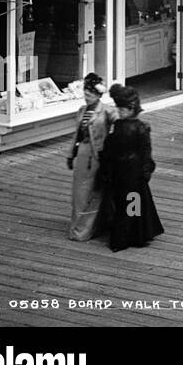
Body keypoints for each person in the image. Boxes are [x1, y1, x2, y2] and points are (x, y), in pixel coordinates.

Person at [100, 85, 165, 252]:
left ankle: (128, 234)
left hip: (131, 172)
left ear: (131, 109)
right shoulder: (124, 125)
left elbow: (145, 151)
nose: (119, 111)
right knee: (129, 202)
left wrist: (144, 171)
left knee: (130, 203)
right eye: (118, 108)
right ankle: (135, 233)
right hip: (125, 171)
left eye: (122, 108)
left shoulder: (135, 127)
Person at [66, 73, 118, 241]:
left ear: (98, 94)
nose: (87, 96)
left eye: (91, 93)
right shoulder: (81, 111)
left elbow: (121, 125)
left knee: (93, 192)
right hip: (83, 154)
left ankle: (87, 229)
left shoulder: (107, 111)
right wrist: (70, 154)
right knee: (79, 193)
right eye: (86, 92)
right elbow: (76, 135)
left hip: (98, 157)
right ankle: (78, 227)